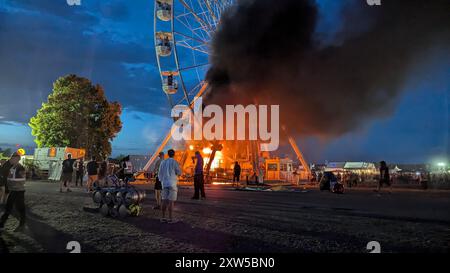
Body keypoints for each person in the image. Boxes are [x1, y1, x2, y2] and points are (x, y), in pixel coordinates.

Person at [0, 152, 26, 232]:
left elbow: (23, 180)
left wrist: (12, 183)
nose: (11, 159)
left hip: (18, 191)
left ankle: (21, 225)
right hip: (14, 190)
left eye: (13, 158)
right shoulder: (13, 167)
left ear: (17, 159)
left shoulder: (20, 168)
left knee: (20, 208)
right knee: (8, 207)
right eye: (11, 158)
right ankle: (1, 223)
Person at [158, 149, 182, 223]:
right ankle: (171, 219)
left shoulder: (163, 162)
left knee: (164, 201)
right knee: (171, 202)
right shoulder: (175, 162)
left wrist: (162, 181)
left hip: (164, 183)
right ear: (174, 154)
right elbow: (179, 172)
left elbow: (160, 173)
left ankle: (162, 218)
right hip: (172, 183)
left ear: (167, 154)